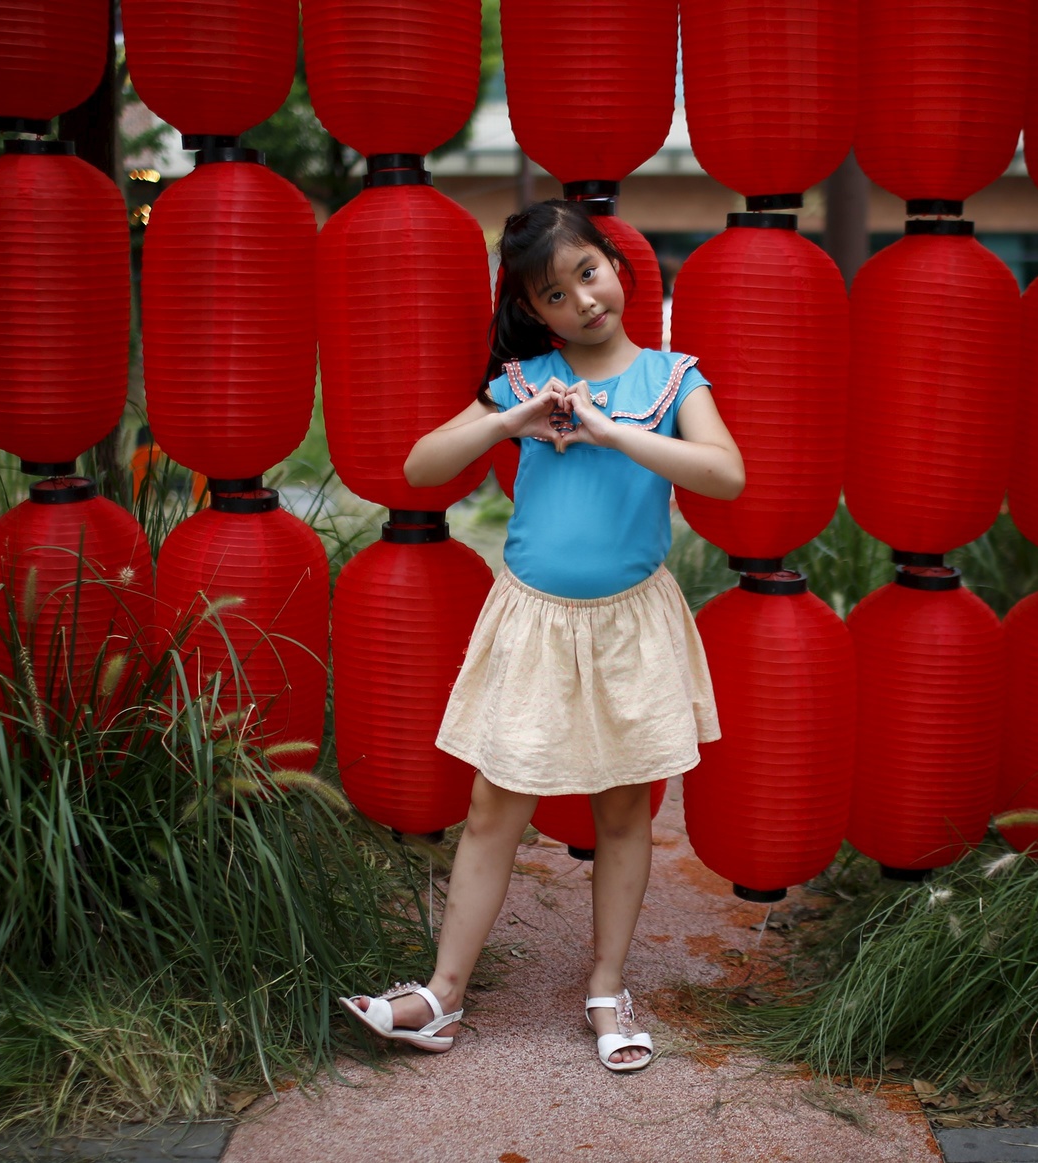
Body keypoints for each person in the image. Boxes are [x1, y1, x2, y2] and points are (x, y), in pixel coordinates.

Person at [339, 200, 744, 1072]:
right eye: (554, 296)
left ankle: (605, 986)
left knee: (624, 808)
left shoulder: (675, 378)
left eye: (588, 274)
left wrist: (611, 428)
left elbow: (727, 473)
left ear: (616, 267)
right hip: (533, 619)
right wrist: (508, 422)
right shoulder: (526, 381)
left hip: (631, 624)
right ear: (536, 311)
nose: (582, 302)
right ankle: (443, 995)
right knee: (494, 802)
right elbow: (419, 468)